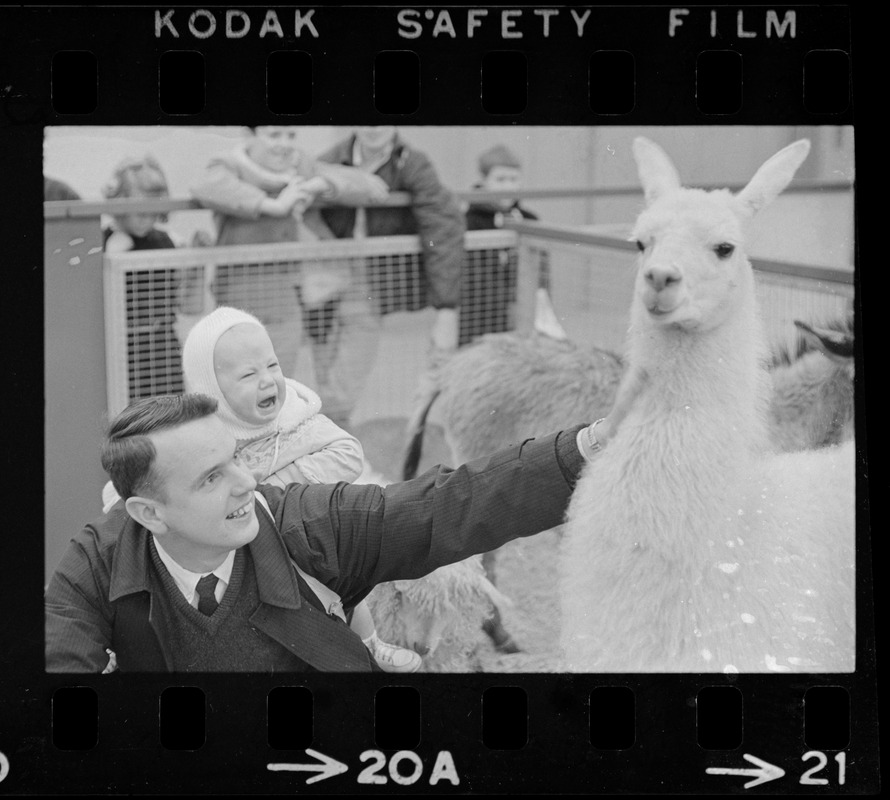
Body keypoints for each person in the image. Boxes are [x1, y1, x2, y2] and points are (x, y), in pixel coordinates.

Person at [44, 366, 647, 673]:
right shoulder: (95, 565)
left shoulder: (305, 525)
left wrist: (587, 446)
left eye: (235, 459)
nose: (247, 483)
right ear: (147, 512)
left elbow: (444, 506)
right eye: (210, 478)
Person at [180, 305, 421, 672]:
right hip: (241, 551)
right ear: (211, 390)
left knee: (338, 585)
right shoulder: (204, 436)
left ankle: (370, 644)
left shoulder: (296, 419)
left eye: (273, 365)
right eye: (248, 374)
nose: (267, 380)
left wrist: (272, 483)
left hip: (306, 531)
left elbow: (349, 454)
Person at [189, 126, 390, 381]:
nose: (284, 144)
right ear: (250, 136)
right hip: (238, 297)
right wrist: (273, 205)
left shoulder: (300, 168)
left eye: (290, 135)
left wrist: (318, 184)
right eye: (274, 135)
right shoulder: (228, 164)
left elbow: (371, 185)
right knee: (239, 384)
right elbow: (204, 185)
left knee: (278, 383)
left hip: (285, 300)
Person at [315, 126, 466, 425]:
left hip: (368, 280)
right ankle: (326, 430)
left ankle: (331, 429)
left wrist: (446, 307)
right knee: (324, 357)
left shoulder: (411, 162)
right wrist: (357, 182)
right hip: (324, 273)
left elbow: (442, 224)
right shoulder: (332, 158)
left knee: (352, 362)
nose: (373, 128)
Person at [102, 154, 184, 397]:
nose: (146, 220)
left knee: (170, 413)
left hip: (162, 346)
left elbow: (183, 300)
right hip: (121, 347)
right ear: (119, 202)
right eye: (139, 212)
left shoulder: (164, 241)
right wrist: (111, 255)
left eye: (152, 212)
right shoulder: (104, 241)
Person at [461, 144, 540, 346]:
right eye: (500, 179)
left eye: (513, 179)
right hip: (479, 315)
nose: (507, 186)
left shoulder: (529, 220)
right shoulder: (470, 222)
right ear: (484, 181)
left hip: (519, 311)